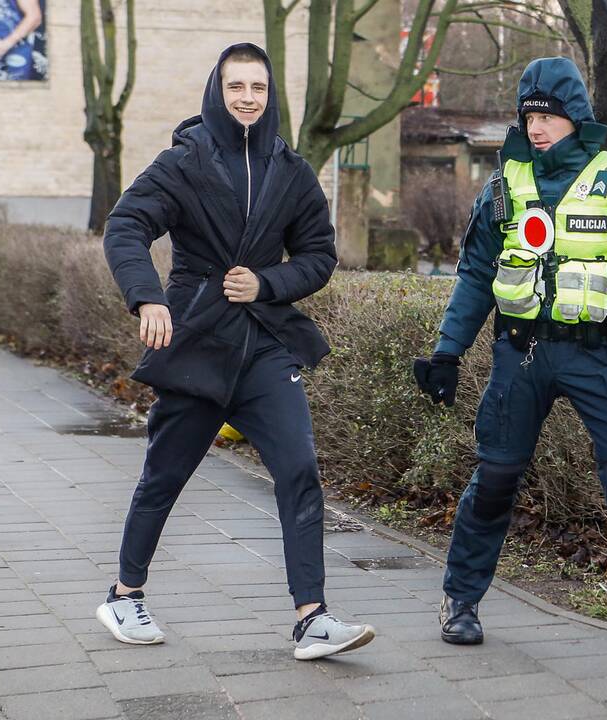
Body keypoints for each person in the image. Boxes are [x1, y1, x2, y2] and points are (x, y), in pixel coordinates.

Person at [414, 56, 607, 664]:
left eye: (549, 115)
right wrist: (448, 351)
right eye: (529, 116)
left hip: (599, 357)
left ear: (576, 116)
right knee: (495, 480)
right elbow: (475, 274)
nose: (538, 126)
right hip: (520, 355)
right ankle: (460, 602)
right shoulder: (503, 186)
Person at [98, 42, 375, 661]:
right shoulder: (183, 162)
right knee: (165, 477)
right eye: (236, 87)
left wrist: (269, 282)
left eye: (258, 87)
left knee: (299, 467)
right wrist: (148, 299)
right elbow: (126, 226)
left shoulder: (292, 169)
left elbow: (319, 256)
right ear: (216, 92)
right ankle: (124, 593)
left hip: (266, 347)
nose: (248, 98)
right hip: (198, 340)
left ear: (269, 94)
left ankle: (312, 617)